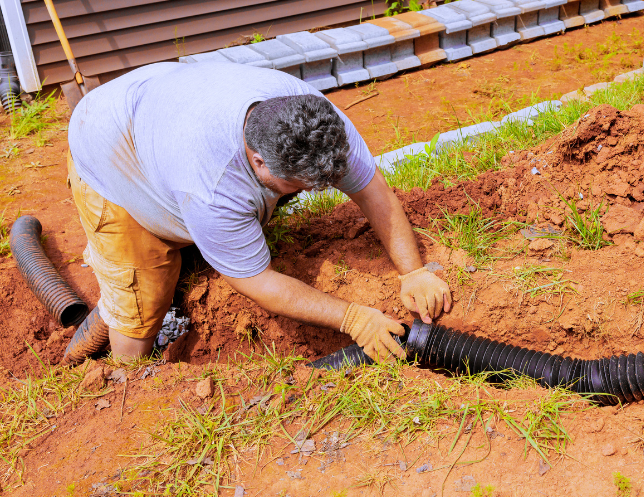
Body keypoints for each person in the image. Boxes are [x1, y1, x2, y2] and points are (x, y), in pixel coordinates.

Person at [62, 61, 451, 366]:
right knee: (142, 295)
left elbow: (372, 190)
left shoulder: (314, 119)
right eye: (298, 185)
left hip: (158, 101)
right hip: (108, 146)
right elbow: (256, 281)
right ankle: (124, 383)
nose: (308, 193)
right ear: (259, 161)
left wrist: (412, 271)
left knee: (214, 237)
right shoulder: (212, 186)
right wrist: (354, 319)